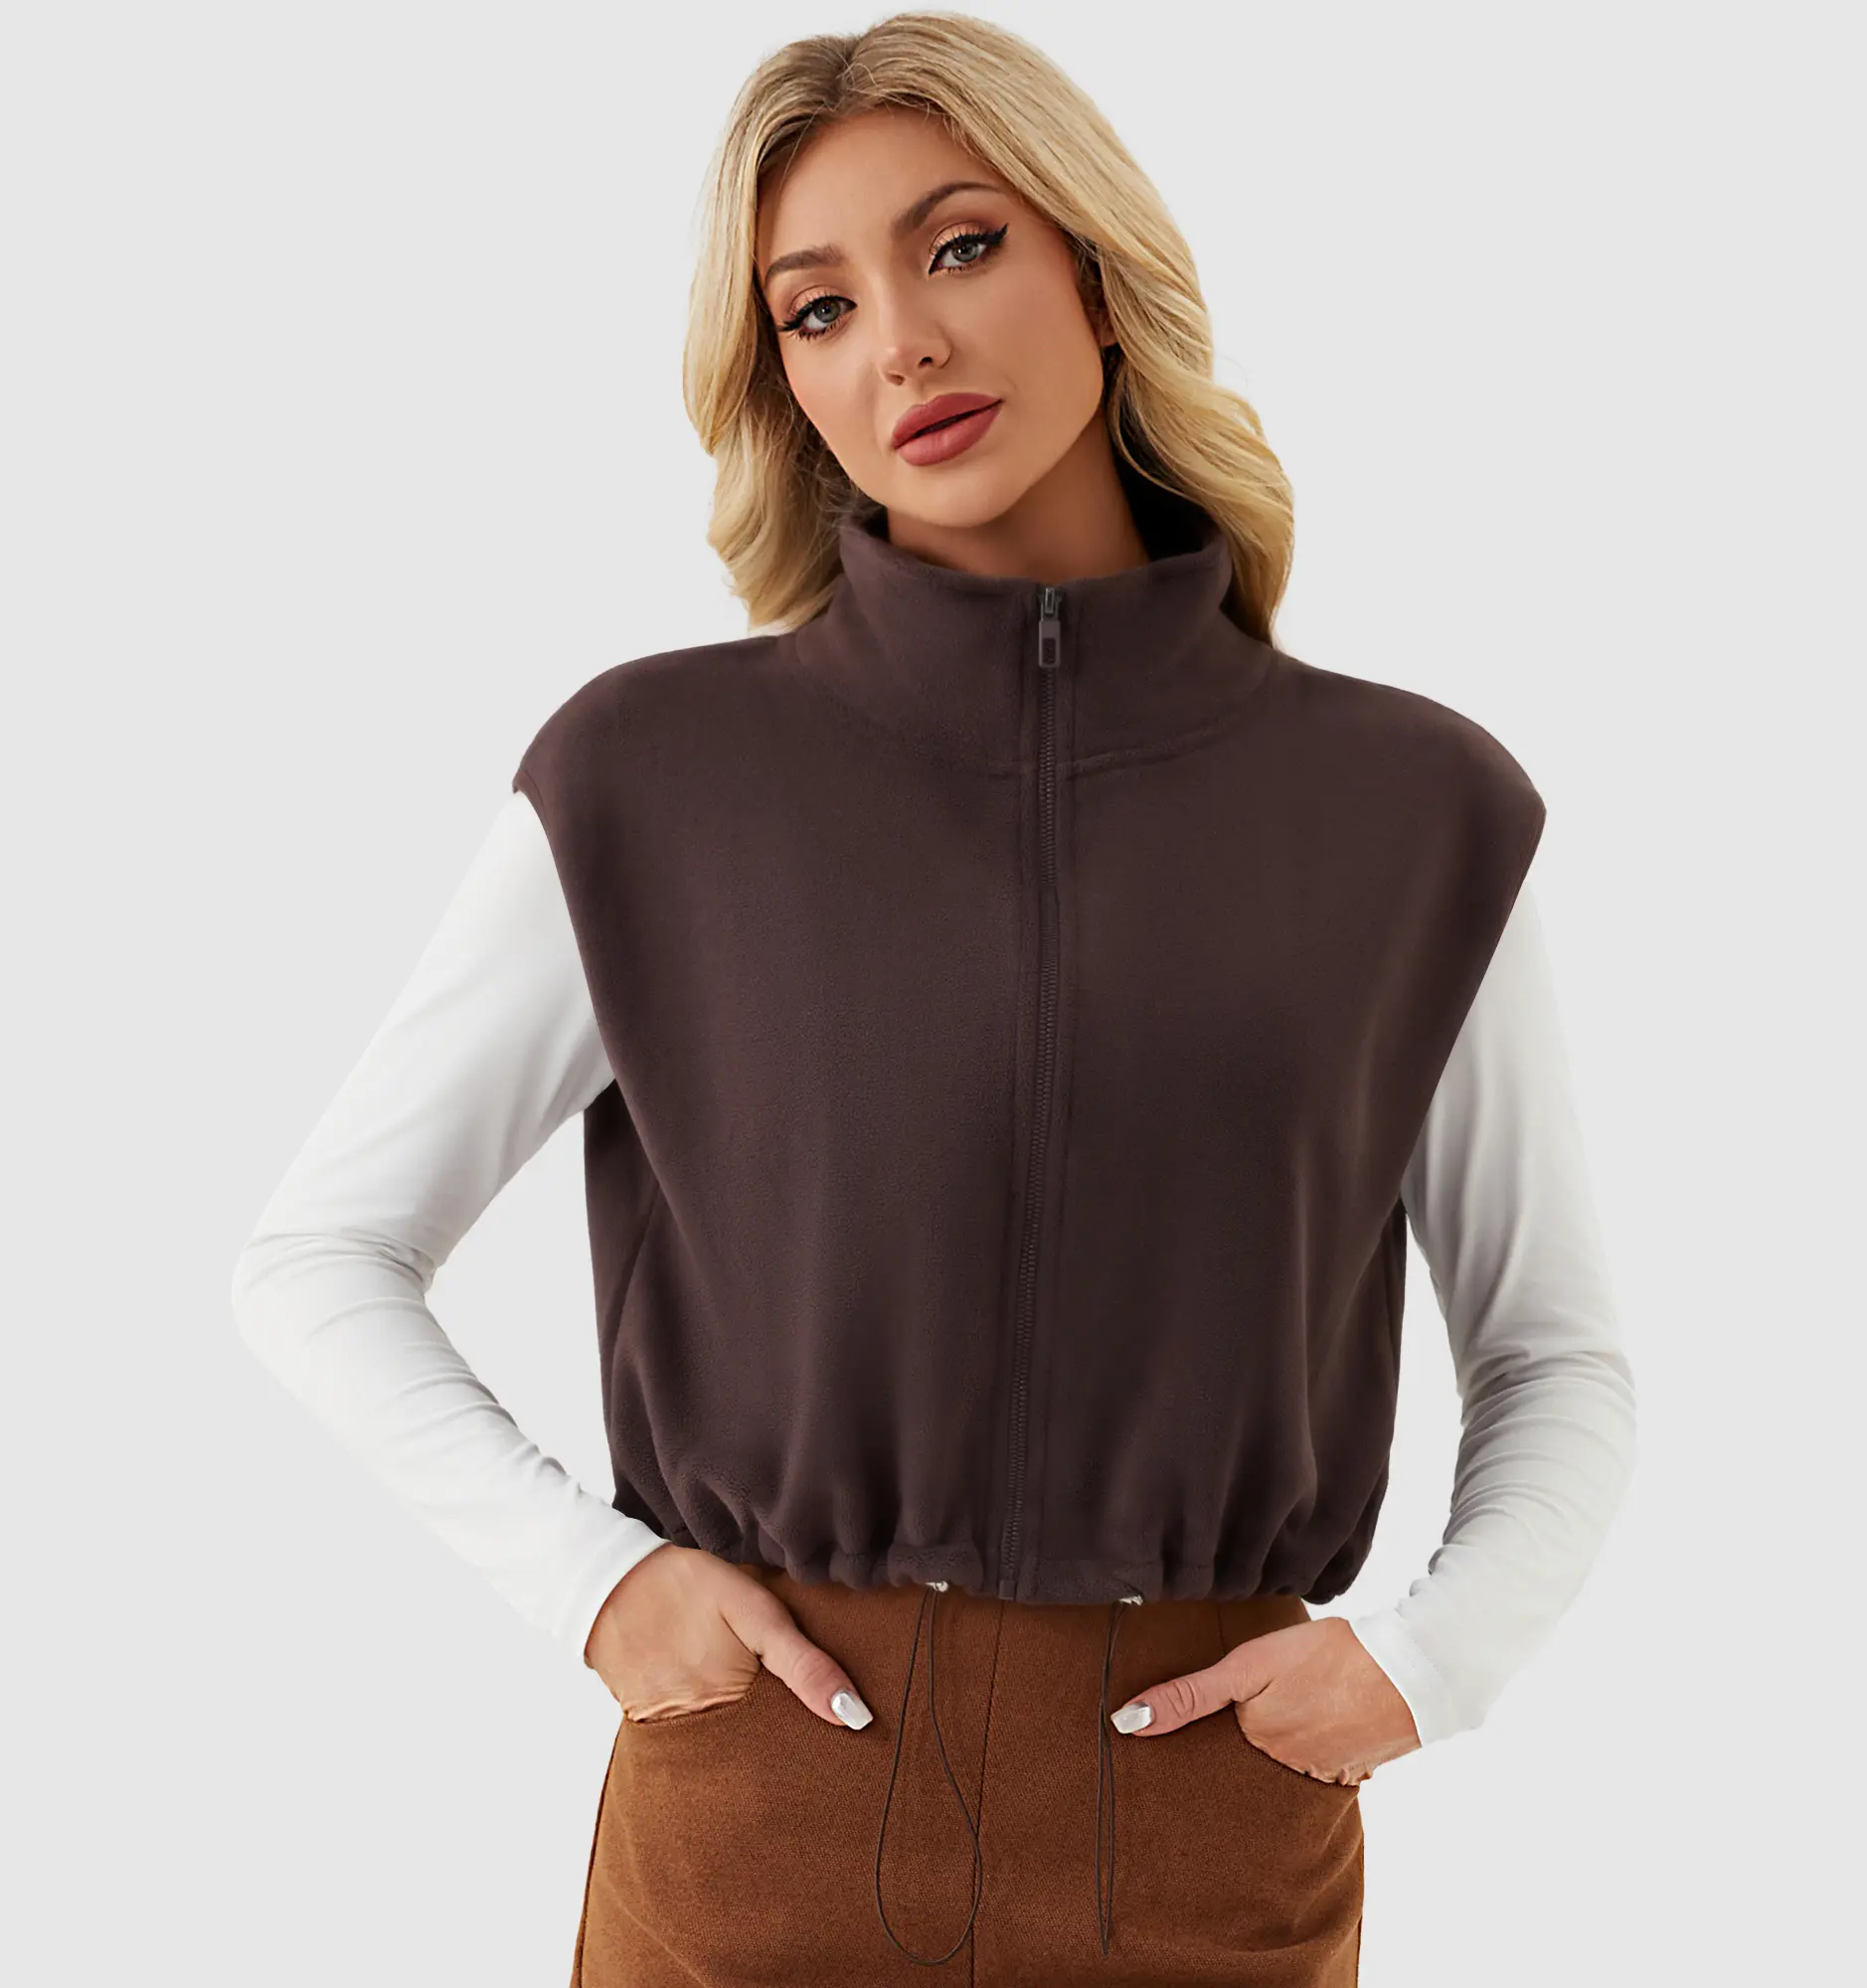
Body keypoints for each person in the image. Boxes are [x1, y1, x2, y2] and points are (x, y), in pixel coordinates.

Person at [232, 14, 1637, 1984]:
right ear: (783, 382)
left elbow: (1552, 1350)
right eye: (817, 308)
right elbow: (319, 1254)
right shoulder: (652, 780)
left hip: (1210, 1828)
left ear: (1096, 268)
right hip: (758, 1820)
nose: (899, 342)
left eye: (960, 246)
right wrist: (599, 1588)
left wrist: (1426, 1667)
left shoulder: (1411, 809)